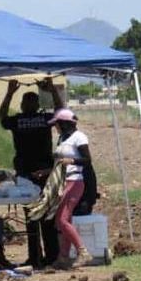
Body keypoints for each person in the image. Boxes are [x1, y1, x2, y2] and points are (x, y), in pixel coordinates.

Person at [0, 77, 63, 268]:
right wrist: (52, 90)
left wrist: (9, 93)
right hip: (39, 173)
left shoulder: (19, 120)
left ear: (24, 105)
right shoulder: (44, 119)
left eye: (27, 101)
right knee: (46, 216)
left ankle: (37, 257)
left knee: (33, 217)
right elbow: (61, 112)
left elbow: (1, 117)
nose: (27, 104)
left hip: (30, 173)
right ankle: (48, 257)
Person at [49, 108, 94, 269]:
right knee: (62, 221)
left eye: (57, 124)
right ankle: (64, 257)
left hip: (75, 181)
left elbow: (87, 160)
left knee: (62, 219)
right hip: (63, 180)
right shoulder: (62, 138)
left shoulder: (79, 137)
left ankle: (83, 252)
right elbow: (60, 161)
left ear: (65, 124)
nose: (56, 127)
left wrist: (72, 162)